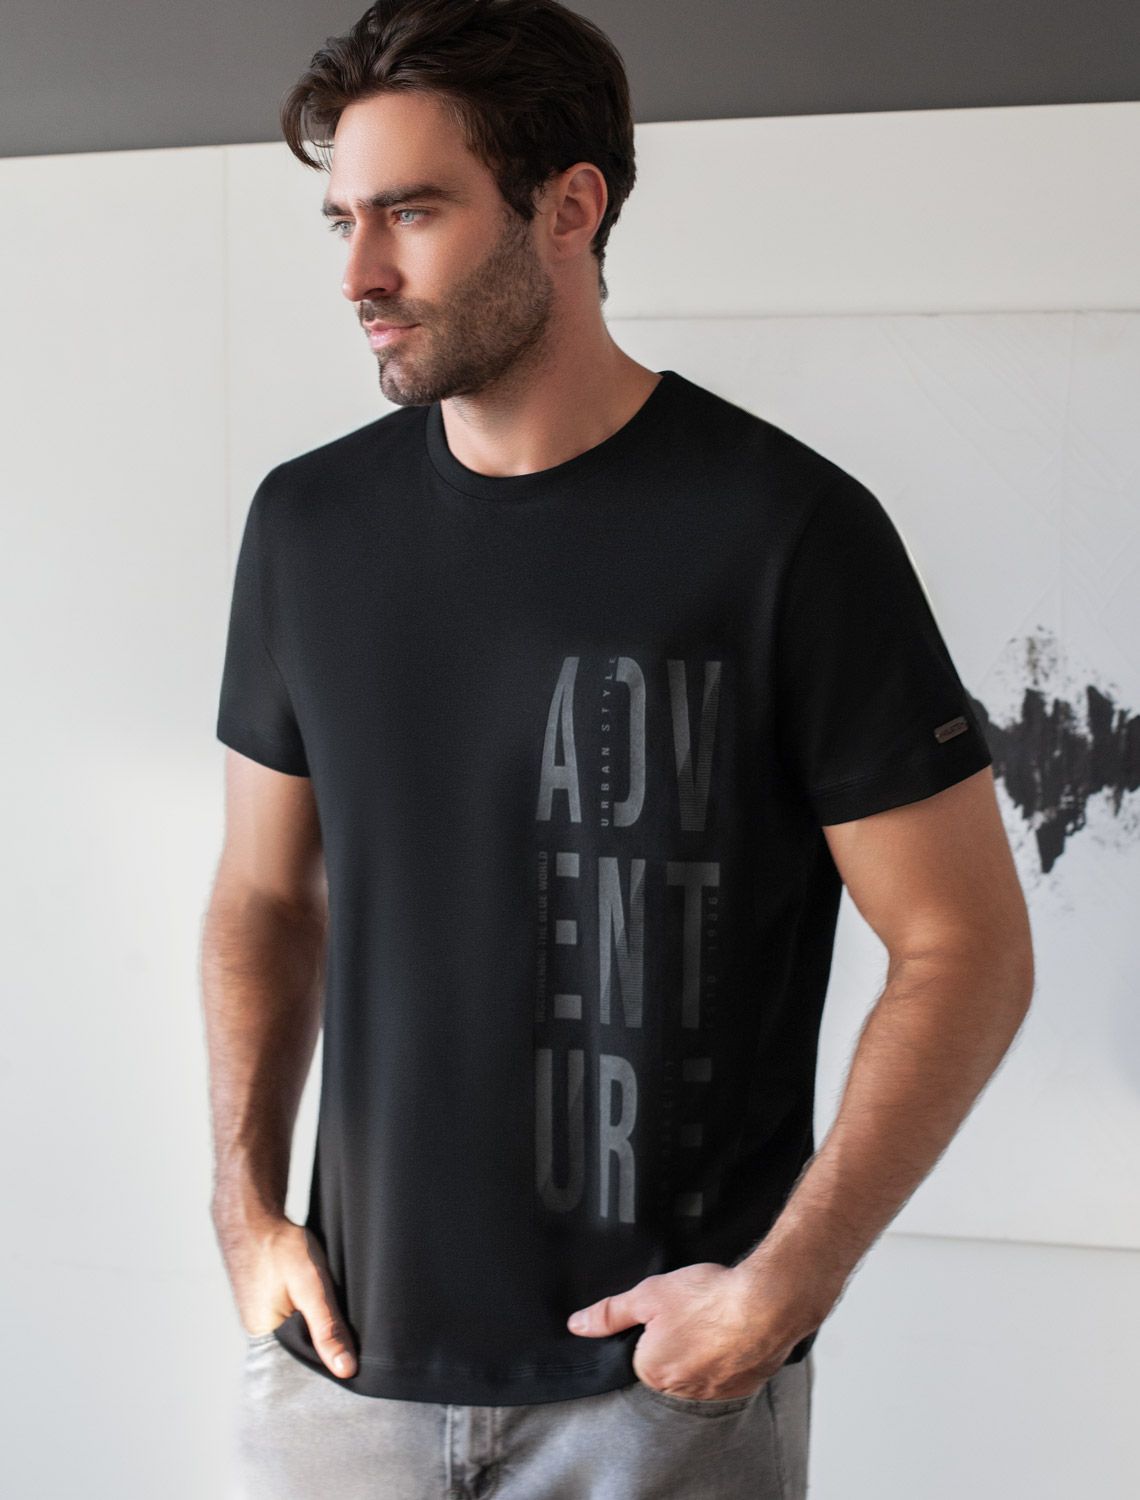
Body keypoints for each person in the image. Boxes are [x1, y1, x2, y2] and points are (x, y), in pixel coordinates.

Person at [200, 2, 1035, 1496]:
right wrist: (243, 1206)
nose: (360, 273)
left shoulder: (787, 533)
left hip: (653, 1402)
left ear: (569, 207)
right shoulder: (307, 528)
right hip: (339, 1381)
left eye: (413, 212)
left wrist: (784, 1290)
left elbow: (964, 944)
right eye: (343, 219)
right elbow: (266, 896)